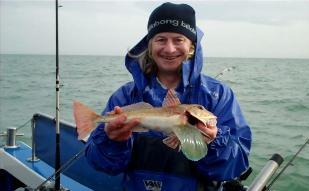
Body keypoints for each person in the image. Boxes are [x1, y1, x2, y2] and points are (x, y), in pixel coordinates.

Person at [85, 2, 252, 191]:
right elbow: (101, 164)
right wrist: (111, 140)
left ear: (191, 46)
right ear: (149, 45)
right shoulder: (125, 96)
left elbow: (237, 164)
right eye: (161, 39)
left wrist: (215, 141)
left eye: (179, 39)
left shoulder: (218, 95)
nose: (170, 49)